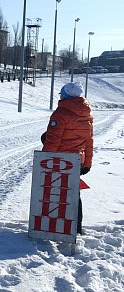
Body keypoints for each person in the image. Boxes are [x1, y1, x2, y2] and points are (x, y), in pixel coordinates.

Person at [41, 81, 93, 235]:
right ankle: (76, 227)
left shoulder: (61, 113)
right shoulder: (87, 114)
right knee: (73, 194)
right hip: (77, 161)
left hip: (59, 160)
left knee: (54, 192)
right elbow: (89, 141)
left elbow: (53, 141)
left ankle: (52, 225)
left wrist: (44, 161)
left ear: (65, 96)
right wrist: (87, 163)